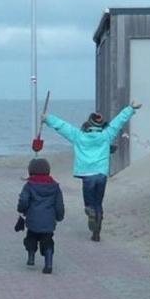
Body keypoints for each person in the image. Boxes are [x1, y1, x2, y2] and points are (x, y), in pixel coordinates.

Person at [43, 100, 142, 241]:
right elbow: (119, 121)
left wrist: (48, 118)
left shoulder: (78, 136)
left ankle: (90, 212)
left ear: (88, 124)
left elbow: (63, 126)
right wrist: (131, 108)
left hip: (87, 175)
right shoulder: (106, 135)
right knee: (98, 203)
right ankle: (97, 232)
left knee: (89, 203)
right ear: (100, 125)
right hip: (101, 174)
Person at [17, 157, 65, 274]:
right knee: (47, 241)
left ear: (31, 171)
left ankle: (31, 256)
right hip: (49, 221)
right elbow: (59, 204)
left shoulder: (29, 185)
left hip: (33, 219)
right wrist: (59, 216)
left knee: (31, 237)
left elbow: (23, 200)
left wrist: (21, 209)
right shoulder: (55, 186)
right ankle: (48, 263)